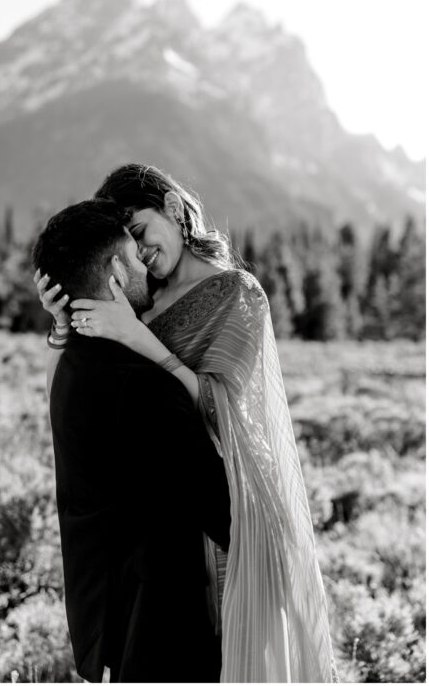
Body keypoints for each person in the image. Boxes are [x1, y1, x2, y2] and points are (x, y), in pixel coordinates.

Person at [36, 164, 335, 682]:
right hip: (158, 523)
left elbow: (227, 412)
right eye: (128, 242)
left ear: (174, 209)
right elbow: (83, 396)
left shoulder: (237, 293)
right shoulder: (139, 296)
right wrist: (66, 326)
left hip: (226, 495)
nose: (142, 253)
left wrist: (137, 338)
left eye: (142, 232)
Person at [33, 198, 231, 682]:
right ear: (117, 275)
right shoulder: (143, 385)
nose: (147, 262)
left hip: (103, 625)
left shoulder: (71, 367)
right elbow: (224, 514)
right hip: (161, 631)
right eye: (134, 254)